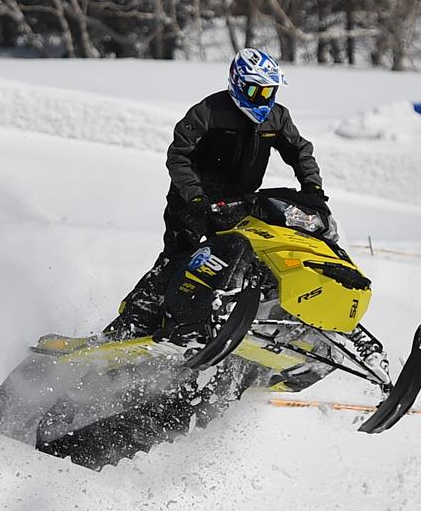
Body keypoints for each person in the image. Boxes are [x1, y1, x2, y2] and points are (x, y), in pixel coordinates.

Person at [104, 48, 330, 339]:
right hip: (193, 202)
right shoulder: (208, 112)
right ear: (237, 83)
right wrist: (195, 195)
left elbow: (300, 151)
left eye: (269, 91)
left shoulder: (276, 117)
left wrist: (312, 187)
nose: (263, 98)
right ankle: (133, 321)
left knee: (246, 255)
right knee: (179, 259)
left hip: (239, 203)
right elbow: (178, 156)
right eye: (255, 91)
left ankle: (239, 316)